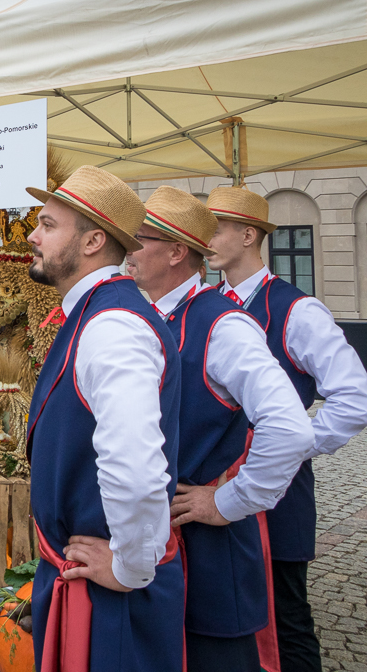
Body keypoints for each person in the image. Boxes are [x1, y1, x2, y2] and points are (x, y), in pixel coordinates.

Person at [126, 186, 314, 672]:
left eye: (140, 238)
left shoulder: (223, 324)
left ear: (176, 251)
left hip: (209, 549)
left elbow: (290, 428)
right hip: (162, 546)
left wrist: (227, 501)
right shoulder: (147, 317)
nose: (128, 249)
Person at [23, 166, 184, 672]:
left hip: (107, 601)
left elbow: (135, 467)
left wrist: (132, 566)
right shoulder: (95, 312)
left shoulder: (112, 324)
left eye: (48, 225)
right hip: (87, 583)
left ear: (93, 241)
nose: (32, 236)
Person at [205, 186, 367, 672]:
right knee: (229, 610)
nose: (204, 239)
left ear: (249, 234)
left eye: (217, 228)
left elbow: (355, 397)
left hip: (277, 489)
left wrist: (297, 443)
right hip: (214, 486)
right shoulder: (209, 302)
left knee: (287, 614)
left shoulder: (297, 309)